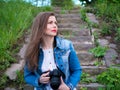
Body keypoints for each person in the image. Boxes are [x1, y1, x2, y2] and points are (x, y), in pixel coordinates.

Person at [24, 12, 82, 90]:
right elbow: (28, 75)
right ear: (40, 26)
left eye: (55, 23)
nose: (54, 25)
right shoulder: (33, 50)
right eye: (50, 23)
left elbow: (77, 70)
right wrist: (39, 80)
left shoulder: (66, 46)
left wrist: (68, 86)